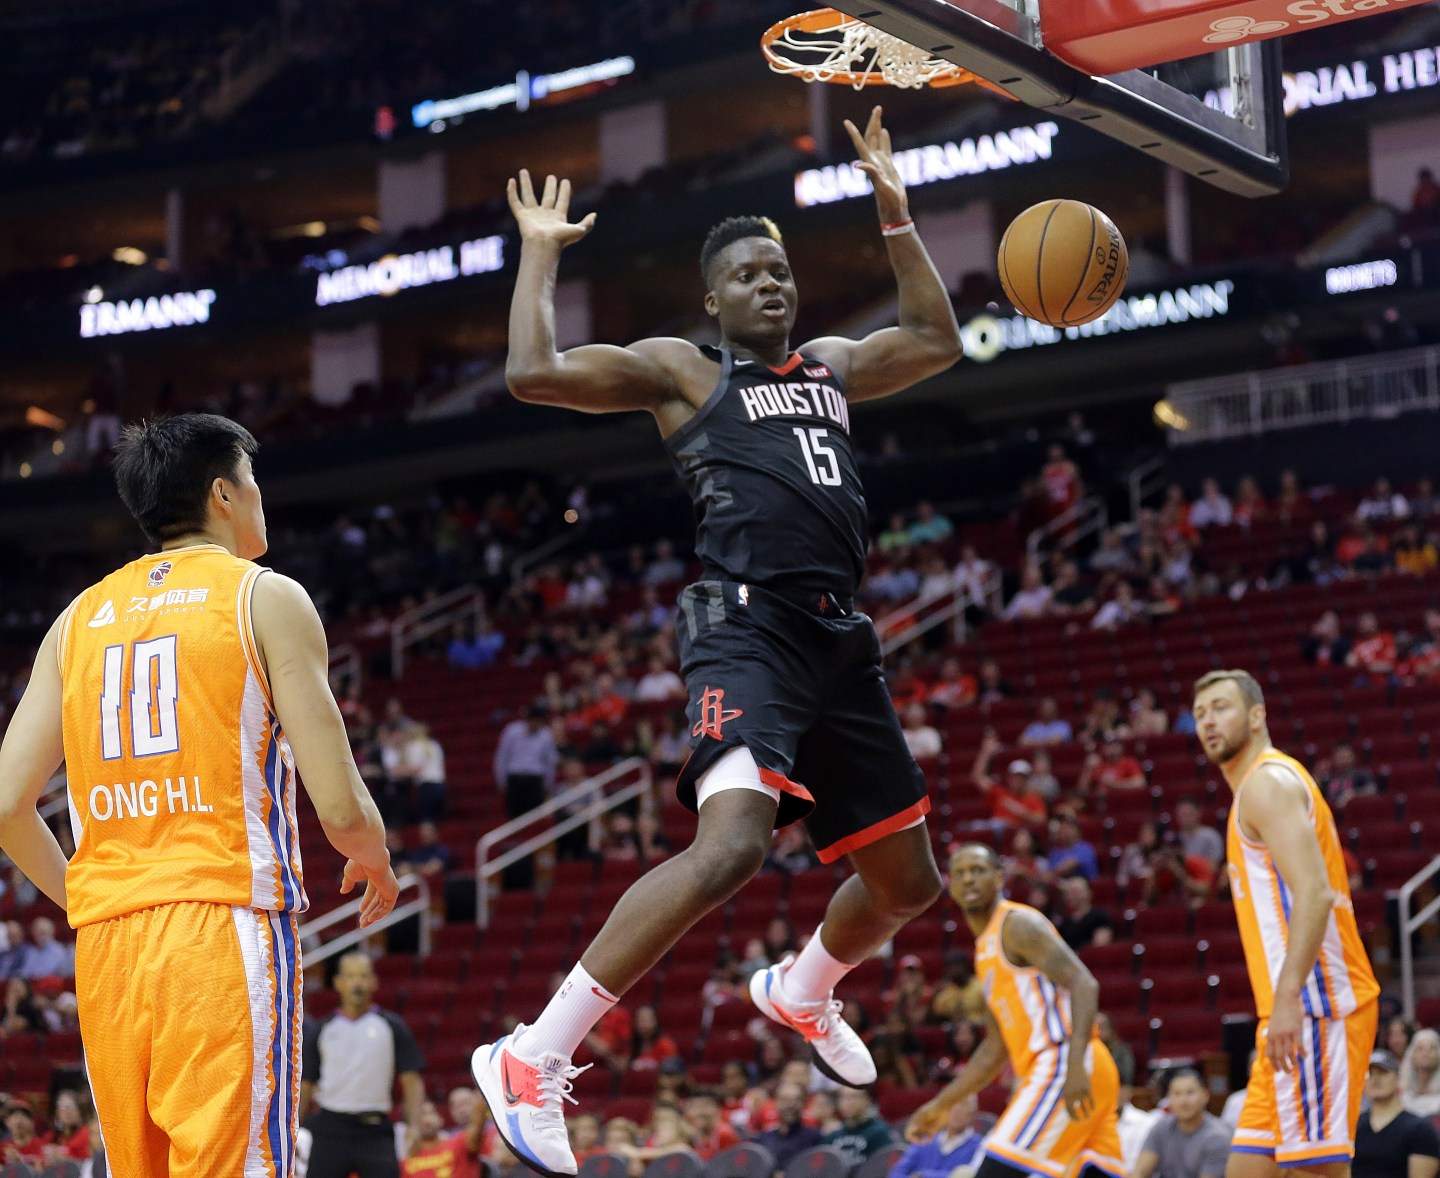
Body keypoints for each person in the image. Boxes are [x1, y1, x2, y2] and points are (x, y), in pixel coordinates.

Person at [476, 107, 959, 1176]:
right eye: (747, 273)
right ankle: (528, 1055)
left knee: (908, 881)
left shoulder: (830, 365)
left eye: (779, 268)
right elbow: (531, 370)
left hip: (839, 637)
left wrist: (893, 210)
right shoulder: (684, 373)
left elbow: (933, 341)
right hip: (743, 625)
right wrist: (540, 258)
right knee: (735, 843)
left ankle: (803, 989)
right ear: (714, 299)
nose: (770, 282)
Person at [0, 414, 397, 1178]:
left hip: (108, 948)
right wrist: (373, 857)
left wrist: (87, 899)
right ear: (224, 491)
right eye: (253, 482)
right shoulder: (265, 597)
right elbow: (341, 810)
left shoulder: (75, 620)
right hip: (219, 928)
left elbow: (8, 806)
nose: (260, 498)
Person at [1191, 670, 1380, 1176]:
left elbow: (1315, 893)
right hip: (1288, 1016)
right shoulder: (1251, 792)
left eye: (1221, 707)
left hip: (1316, 1004)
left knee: (1316, 1171)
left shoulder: (1267, 783)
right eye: (1200, 713)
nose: (1209, 720)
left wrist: (1290, 998)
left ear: (1257, 716)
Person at [906, 844, 1125, 1178]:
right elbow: (994, 1048)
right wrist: (942, 1104)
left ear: (999, 878)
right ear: (950, 885)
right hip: (1083, 1067)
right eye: (961, 873)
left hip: (1064, 1061)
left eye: (978, 870)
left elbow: (1084, 984)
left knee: (994, 1173)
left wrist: (1076, 1063)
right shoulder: (984, 951)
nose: (968, 879)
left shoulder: (1017, 924)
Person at [303, 952, 426, 1178]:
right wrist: (294, 1129)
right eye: (350, 977)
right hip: (330, 1129)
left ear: (373, 982)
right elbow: (306, 1083)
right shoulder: (322, 1030)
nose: (357, 983)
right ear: (338, 983)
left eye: (363, 976)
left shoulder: (392, 1026)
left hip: (375, 1130)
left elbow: (411, 1081)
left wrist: (415, 1126)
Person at [1130, 1069, 1233, 1178]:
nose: (1183, 1101)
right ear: (1168, 1099)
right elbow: (1139, 1172)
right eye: (1177, 1094)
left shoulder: (1218, 1137)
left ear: (1205, 1096)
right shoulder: (1161, 1128)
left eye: (1190, 1093)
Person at [1354, 1050, 1440, 1178]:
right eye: (1369, 1074)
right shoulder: (1353, 1126)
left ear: (1398, 1077)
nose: (1375, 1079)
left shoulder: (1420, 1129)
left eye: (1383, 1072)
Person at [892, 1094, 984, 1178]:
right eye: (952, 1103)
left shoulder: (980, 1147)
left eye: (964, 1104)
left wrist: (923, 1176)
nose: (956, 1109)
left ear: (974, 1113)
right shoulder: (925, 1140)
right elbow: (896, 1174)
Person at [753, 1081, 823, 1171]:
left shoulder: (815, 1137)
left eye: (796, 1100)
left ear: (803, 1103)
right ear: (776, 1103)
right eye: (785, 1100)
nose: (790, 1105)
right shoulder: (763, 1139)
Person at [822, 1087, 896, 1166]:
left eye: (854, 1097)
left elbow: (886, 1166)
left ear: (867, 1100)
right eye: (844, 1097)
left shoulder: (880, 1132)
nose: (849, 1103)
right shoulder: (832, 1135)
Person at [1399, 1030, 1440, 1119]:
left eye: (1432, 1048)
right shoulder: (1401, 1095)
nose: (1426, 1053)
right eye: (1420, 1048)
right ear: (1412, 1055)